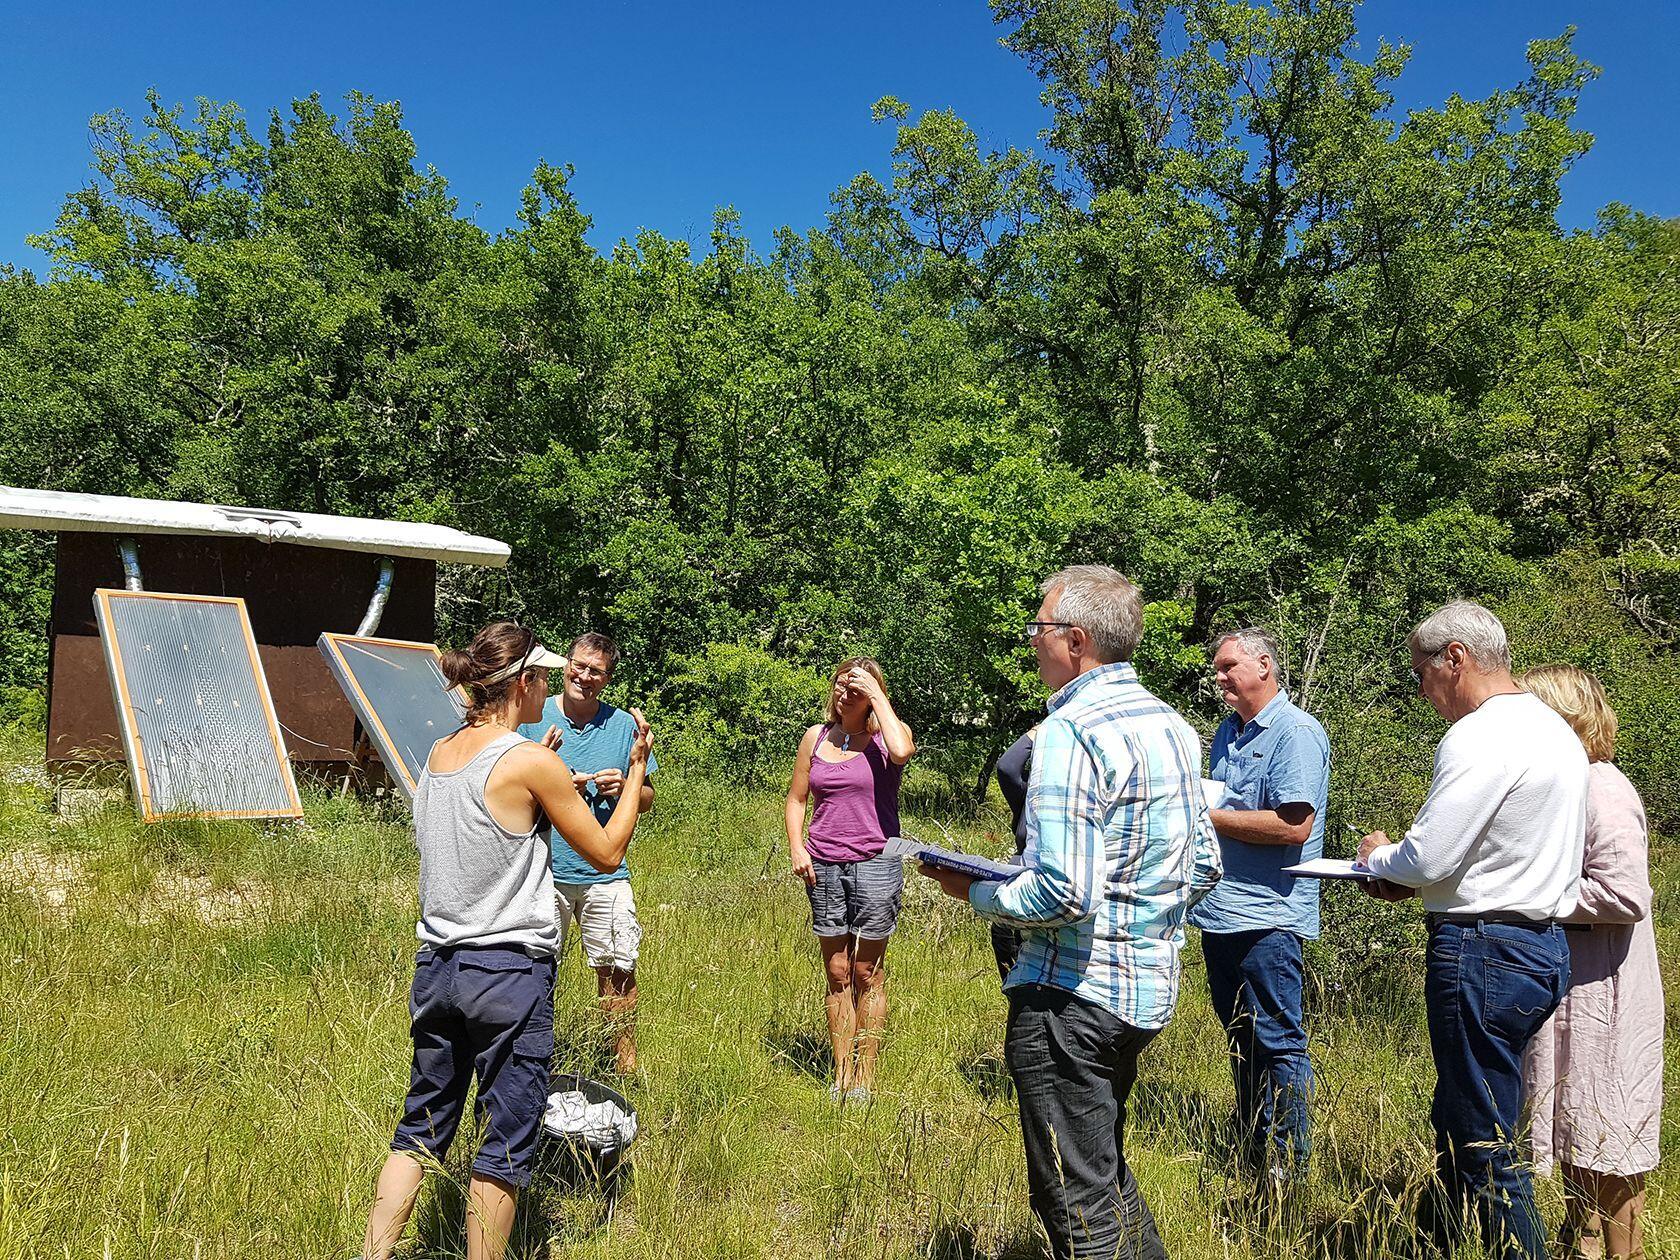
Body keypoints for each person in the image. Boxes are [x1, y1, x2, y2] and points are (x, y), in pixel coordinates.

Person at [922, 564, 1222, 1260]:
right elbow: (1203, 864)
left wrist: (971, 889)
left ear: (1078, 640)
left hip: (1070, 998)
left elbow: (1064, 893)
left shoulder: (1069, 733)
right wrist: (1141, 917)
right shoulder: (1172, 725)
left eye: (1041, 627)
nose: (1033, 640)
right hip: (1142, 995)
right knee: (1103, 1175)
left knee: (1075, 1202)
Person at [362, 622, 652, 1260]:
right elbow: (606, 852)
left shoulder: (439, 753)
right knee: (506, 1140)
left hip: (436, 966)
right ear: (522, 684)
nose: (548, 687)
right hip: (507, 975)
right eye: (542, 676)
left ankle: (374, 1253)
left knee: (421, 1128)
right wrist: (634, 774)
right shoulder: (528, 760)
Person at [1357, 601, 1586, 1260]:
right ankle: (1447, 1241)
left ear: (1455, 657)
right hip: (1540, 947)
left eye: (1421, 674)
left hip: (1485, 948)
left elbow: (1429, 857)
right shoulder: (1553, 729)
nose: (1423, 691)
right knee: (1472, 1112)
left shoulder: (1481, 734)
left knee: (1483, 1139)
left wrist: (1378, 858)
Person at [1517, 665, 1662, 1260]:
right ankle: (1580, 1243)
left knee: (1615, 1131)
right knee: (1577, 1124)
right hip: (1574, 982)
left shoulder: (1603, 786)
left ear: (1562, 719)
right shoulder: (1563, 785)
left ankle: (1618, 1253)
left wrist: (1532, 891)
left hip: (1611, 988)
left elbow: (1626, 894)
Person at [1189, 628, 1329, 1191]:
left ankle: (1291, 1169)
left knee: (1278, 1041)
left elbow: (1295, 825)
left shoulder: (1294, 733)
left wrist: (1201, 816)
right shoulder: (1229, 732)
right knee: (1241, 1039)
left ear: (1265, 665)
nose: (1218, 678)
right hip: (1221, 913)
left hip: (1269, 916)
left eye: (1227, 667)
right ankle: (1252, 1155)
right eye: (1217, 669)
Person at [518, 631, 656, 1076]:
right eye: (579, 665)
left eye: (596, 671)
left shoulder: (621, 726)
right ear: (566, 665)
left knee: (617, 969)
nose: (584, 676)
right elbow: (509, 786)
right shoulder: (532, 717)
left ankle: (624, 1066)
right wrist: (552, 782)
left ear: (608, 679)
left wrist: (627, 787)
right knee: (536, 971)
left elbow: (649, 795)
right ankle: (536, 1058)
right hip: (543, 868)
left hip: (606, 874)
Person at [784, 657, 916, 1101]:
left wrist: (877, 697)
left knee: (867, 971)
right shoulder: (815, 737)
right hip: (823, 863)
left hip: (876, 861)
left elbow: (902, 752)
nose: (845, 695)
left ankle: (865, 1076)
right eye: (841, 686)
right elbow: (797, 798)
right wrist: (797, 847)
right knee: (837, 970)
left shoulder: (886, 739)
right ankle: (841, 1074)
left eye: (855, 689)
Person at [989, 724, 1038, 983]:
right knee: (1011, 974)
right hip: (1016, 890)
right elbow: (1007, 766)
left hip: (1049, 897)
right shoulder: (1028, 794)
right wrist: (1036, 732)